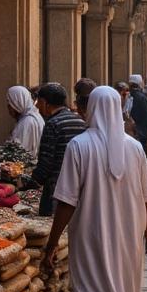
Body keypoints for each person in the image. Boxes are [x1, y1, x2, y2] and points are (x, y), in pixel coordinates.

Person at [40, 85, 147, 292]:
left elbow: (66, 200)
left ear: (90, 108)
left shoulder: (80, 146)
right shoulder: (133, 148)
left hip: (91, 235)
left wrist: (52, 242)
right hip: (128, 236)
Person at [30, 83, 87, 217]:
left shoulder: (53, 124)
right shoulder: (80, 121)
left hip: (56, 192)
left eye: (38, 101)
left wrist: (28, 182)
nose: (37, 106)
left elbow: (46, 164)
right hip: (79, 189)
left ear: (45, 102)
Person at [6, 85, 44, 157]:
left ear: (18, 102)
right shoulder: (34, 116)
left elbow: (18, 152)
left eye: (10, 103)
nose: (8, 107)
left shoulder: (27, 122)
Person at [128, 75, 147, 145]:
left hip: (130, 132)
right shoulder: (142, 97)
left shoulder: (127, 95)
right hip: (141, 133)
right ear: (139, 83)